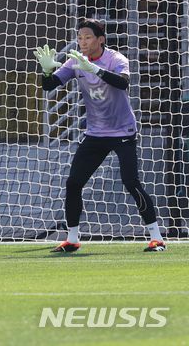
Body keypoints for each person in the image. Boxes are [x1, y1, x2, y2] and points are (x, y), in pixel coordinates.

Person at [34, 18, 165, 253]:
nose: (82, 42)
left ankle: (157, 238)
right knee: (74, 183)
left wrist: (93, 69)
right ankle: (72, 239)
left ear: (100, 40)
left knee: (130, 182)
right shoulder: (75, 60)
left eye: (88, 37)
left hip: (123, 131)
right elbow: (50, 85)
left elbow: (122, 83)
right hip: (95, 133)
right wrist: (46, 70)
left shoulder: (116, 59)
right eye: (80, 37)